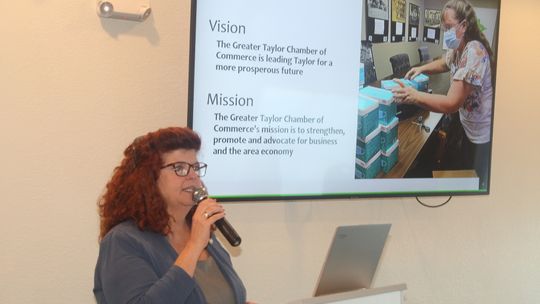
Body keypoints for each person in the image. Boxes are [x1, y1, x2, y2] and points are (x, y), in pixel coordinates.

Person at [93, 127, 253, 304]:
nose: (193, 176)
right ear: (148, 178)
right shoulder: (123, 241)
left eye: (195, 167)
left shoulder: (203, 234)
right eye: (179, 168)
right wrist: (193, 246)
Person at [392, 0, 495, 189]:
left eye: (449, 27)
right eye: (444, 27)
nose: (445, 32)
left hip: (480, 134)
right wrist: (420, 68)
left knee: (474, 181)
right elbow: (443, 63)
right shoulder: (459, 48)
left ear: (463, 25)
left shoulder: (474, 51)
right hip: (466, 124)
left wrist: (413, 95)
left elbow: (450, 103)